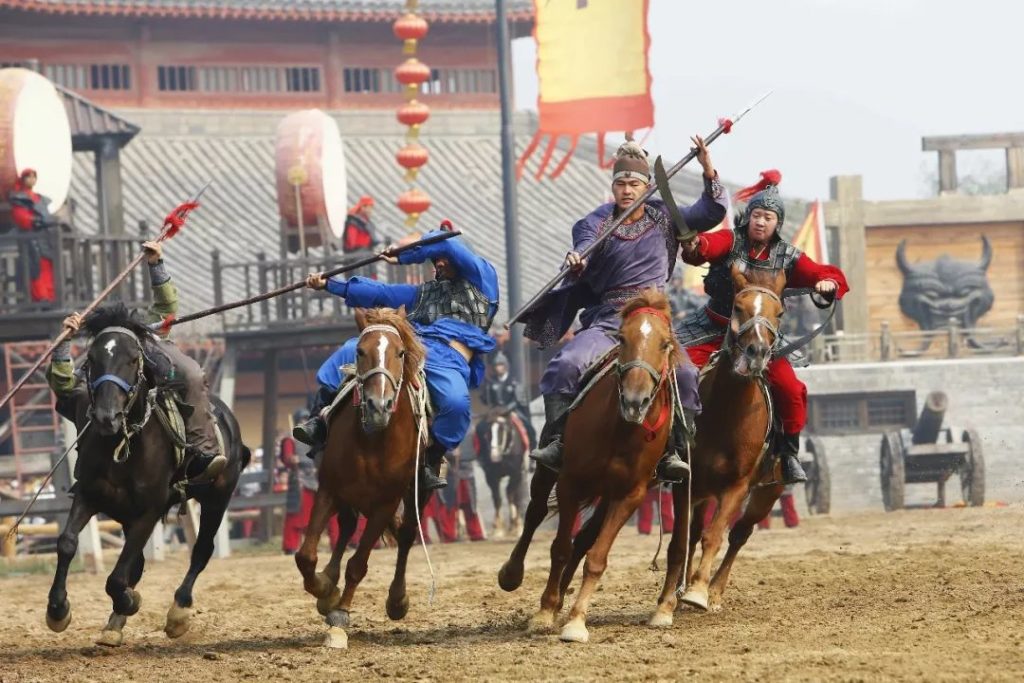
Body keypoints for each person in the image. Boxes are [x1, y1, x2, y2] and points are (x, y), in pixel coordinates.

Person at [522, 135, 728, 482]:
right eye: (621, 184)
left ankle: (675, 449)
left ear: (647, 186)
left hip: (654, 319)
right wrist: (577, 259)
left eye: (634, 184)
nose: (628, 190)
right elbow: (584, 244)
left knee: (686, 375)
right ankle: (557, 440)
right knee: (565, 364)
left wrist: (708, 169)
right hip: (610, 320)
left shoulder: (665, 215)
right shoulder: (596, 222)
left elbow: (712, 211)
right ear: (613, 188)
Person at [295, 221, 499, 493]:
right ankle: (317, 421)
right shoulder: (424, 293)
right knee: (351, 348)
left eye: (442, 258)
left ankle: (431, 459)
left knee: (456, 402)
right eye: (435, 260)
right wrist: (329, 285)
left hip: (448, 360)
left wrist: (405, 255)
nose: (438, 263)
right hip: (412, 347)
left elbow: (446, 243)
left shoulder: (483, 280)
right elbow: (381, 293)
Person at [678, 170, 850, 484]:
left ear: (777, 223)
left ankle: (788, 453)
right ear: (749, 217)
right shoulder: (732, 241)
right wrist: (695, 244)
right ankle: (670, 444)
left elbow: (824, 274)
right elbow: (707, 246)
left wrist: (827, 283)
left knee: (791, 389)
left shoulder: (788, 257)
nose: (760, 222)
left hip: (760, 337)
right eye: (757, 215)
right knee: (676, 373)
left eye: (768, 217)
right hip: (713, 328)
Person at [48, 240, 227, 484]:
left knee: (191, 374)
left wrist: (156, 264)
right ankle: (87, 467)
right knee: (78, 395)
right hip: (100, 440)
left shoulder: (146, 337)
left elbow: (166, 307)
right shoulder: (100, 357)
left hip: (156, 369)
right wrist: (64, 341)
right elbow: (64, 386)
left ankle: (202, 451)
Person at [281, 409, 340, 554]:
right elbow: (287, 458)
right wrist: (291, 459)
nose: (304, 421)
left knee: (328, 511)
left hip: (319, 476)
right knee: (297, 514)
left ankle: (336, 543)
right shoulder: (290, 438)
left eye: (306, 418)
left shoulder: (318, 436)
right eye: (302, 419)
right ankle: (291, 546)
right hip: (300, 478)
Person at [8, 168, 56, 303]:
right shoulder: (18, 198)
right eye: (28, 177)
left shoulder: (41, 199)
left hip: (44, 238)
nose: (31, 179)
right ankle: (41, 297)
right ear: (23, 179)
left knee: (48, 267)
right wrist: (37, 221)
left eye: (34, 177)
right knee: (35, 269)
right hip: (30, 239)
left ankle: (50, 296)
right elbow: (21, 218)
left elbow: (47, 216)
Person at [475, 351, 536, 450]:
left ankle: (532, 451)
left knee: (529, 428)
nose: (498, 367)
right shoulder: (490, 383)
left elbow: (518, 400)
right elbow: (487, 400)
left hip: (512, 411)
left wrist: (506, 408)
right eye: (496, 365)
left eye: (500, 365)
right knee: (480, 428)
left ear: (506, 366)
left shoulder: (514, 382)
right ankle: (483, 455)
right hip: (495, 412)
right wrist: (483, 392)